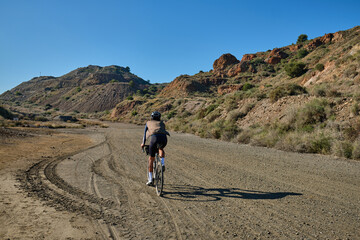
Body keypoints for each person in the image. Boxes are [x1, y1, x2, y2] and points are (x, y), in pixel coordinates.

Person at [141, 111, 170, 186]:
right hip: (164, 139)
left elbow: (145, 134)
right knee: (161, 148)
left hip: (154, 138)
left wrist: (143, 143)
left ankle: (150, 180)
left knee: (151, 159)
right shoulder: (162, 123)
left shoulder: (148, 123)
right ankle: (162, 163)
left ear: (152, 117)